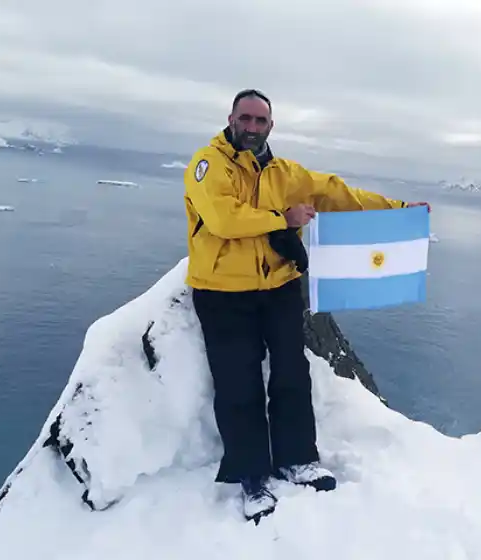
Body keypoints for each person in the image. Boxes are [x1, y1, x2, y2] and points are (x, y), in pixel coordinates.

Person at [183, 88, 430, 523]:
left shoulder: (285, 172)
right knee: (238, 384)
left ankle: (297, 458)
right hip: (223, 291)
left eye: (261, 121)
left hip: (278, 285)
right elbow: (223, 217)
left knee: (292, 374)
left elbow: (337, 193)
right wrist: (284, 219)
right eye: (246, 119)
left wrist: (400, 210)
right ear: (231, 119)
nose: (252, 127)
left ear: (271, 126)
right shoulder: (209, 164)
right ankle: (252, 477)